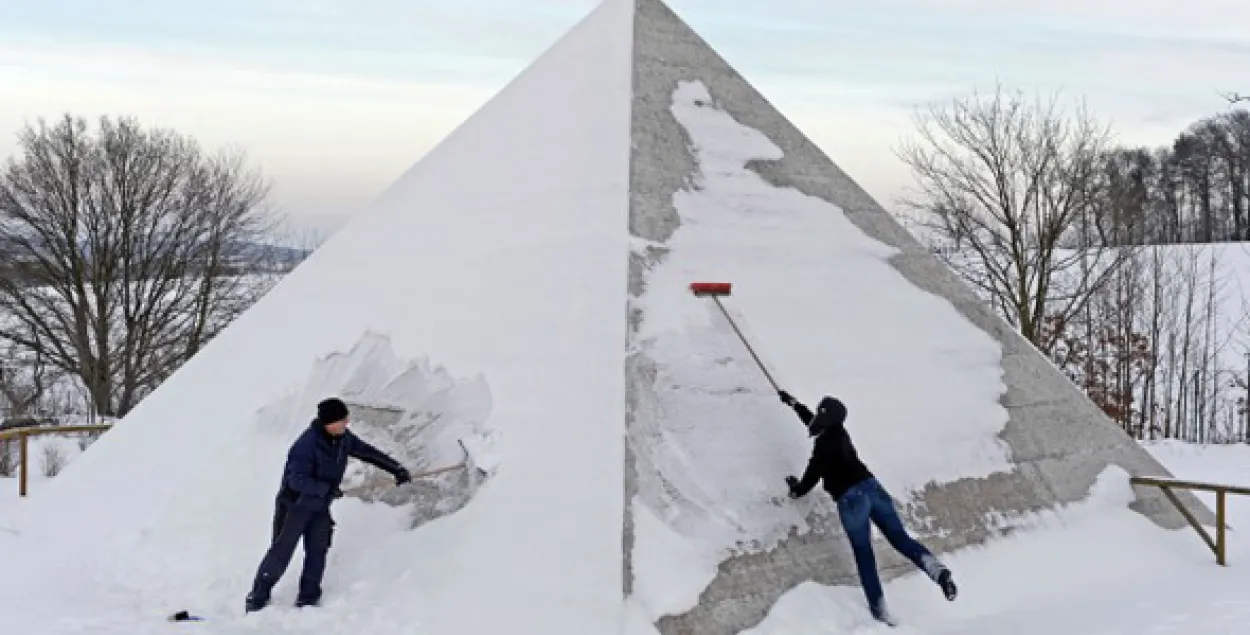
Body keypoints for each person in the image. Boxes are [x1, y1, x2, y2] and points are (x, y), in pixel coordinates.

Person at [778, 389, 957, 625]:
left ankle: (880, 611)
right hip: (874, 489)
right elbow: (816, 422)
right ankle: (939, 572)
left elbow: (811, 477)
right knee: (901, 539)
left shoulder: (822, 449)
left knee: (864, 555)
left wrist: (796, 490)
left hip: (852, 501)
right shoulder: (840, 433)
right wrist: (794, 404)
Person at [245, 397, 412, 612]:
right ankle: (257, 597)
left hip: (320, 506)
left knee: (318, 550)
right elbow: (296, 480)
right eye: (342, 420)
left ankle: (308, 597)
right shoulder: (305, 446)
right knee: (281, 552)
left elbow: (366, 451)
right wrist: (325, 489)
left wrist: (395, 468)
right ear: (328, 423)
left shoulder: (342, 439)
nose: (347, 423)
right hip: (295, 506)